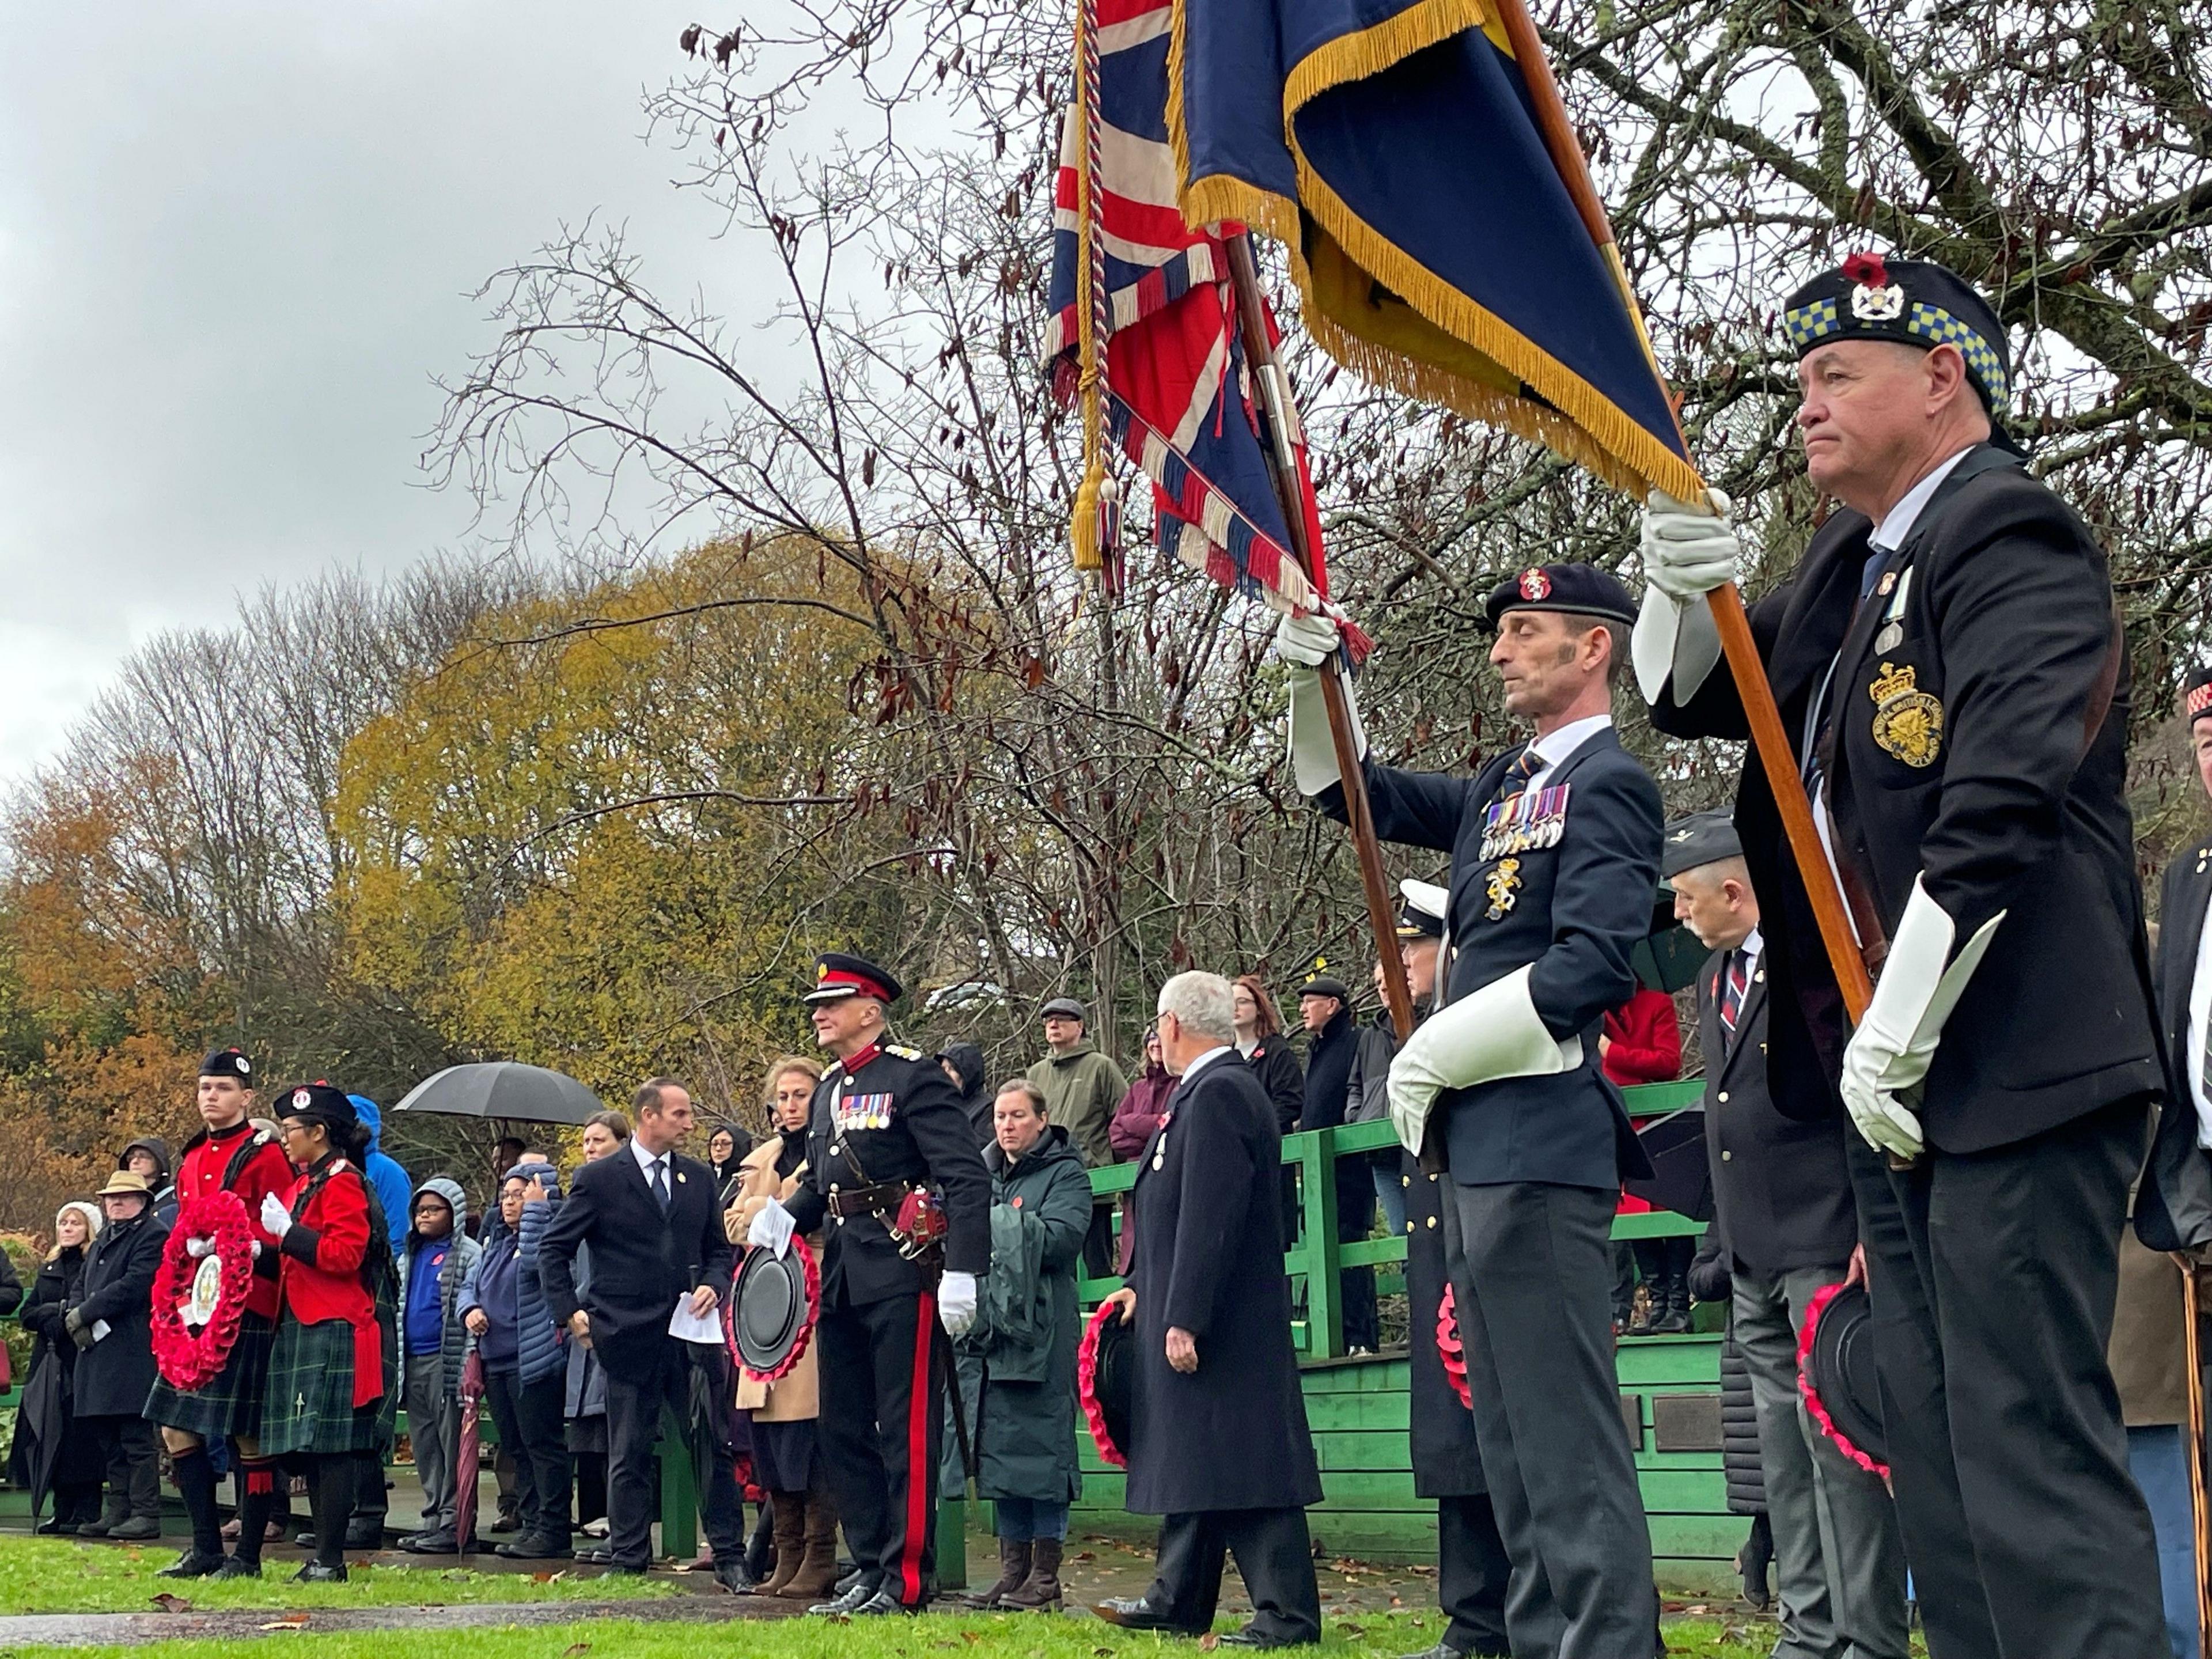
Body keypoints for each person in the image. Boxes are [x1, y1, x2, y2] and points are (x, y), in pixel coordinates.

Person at [1638, 253, 2200, 1659]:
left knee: (2023, 1446)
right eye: (1797, 382)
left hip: (2010, 1060)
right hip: (1893, 1090)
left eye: (1835, 374)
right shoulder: (1853, 557)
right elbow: (1701, 693)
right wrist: (1667, 580)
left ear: (1941, 376)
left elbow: (1999, 793)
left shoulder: (2009, 535)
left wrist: (1900, 1017)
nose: (1804, 406)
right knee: (1934, 1452)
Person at [1278, 560, 1664, 1658]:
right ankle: (1545, 1640)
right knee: (1508, 1441)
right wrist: (1312, 685)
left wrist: (1437, 1045)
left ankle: (1610, 1645)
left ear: (1593, 648)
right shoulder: (1503, 788)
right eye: (1500, 630)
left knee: (1565, 1438)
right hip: (1476, 1151)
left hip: (1542, 1141)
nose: (1500, 649)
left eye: (1525, 629)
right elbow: (1343, 792)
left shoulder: (1613, 787)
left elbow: (1591, 964)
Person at [1666, 809, 1908, 1659]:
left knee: (1838, 1445)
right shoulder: (1711, 977)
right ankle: (1807, 1630)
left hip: (1823, 1237)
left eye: (1688, 898)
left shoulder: (1815, 961)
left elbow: (1859, 1093)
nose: (1680, 914)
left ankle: (1868, 1635)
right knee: (1782, 1452)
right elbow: (1724, 1107)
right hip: (1752, 1248)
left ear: (1735, 890)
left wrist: (1868, 1224)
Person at [749, 953, 990, 1615]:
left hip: (904, 1267)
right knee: (843, 1428)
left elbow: (965, 1175)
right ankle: (871, 1562)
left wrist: (966, 1268)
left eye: (832, 1003)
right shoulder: (828, 1087)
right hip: (846, 1272)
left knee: (905, 1429)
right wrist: (782, 1218)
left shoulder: (913, 1078)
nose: (818, 1014)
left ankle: (906, 1576)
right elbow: (831, 1188)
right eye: (816, 1005)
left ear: (871, 1011)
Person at [1094, 972, 1322, 1647]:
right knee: (1195, 1456)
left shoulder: (1220, 1093)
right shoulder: (1201, 1092)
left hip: (1224, 1316)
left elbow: (1210, 1216)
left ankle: (1286, 1614)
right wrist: (1141, 1283)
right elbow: (1171, 1209)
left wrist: (1187, 1312)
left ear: (1170, 1025)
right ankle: (1176, 1598)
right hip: (1188, 1304)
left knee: (1247, 1461)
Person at [1349, 884, 1515, 1659]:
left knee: (1500, 1445)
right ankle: (1474, 1614)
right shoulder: (1411, 1036)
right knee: (1453, 1448)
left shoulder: (1483, 1027)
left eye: (1409, 949)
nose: (1393, 971)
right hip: (1435, 1262)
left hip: (1484, 1257)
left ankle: (1515, 1609)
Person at [538, 1078, 745, 1589]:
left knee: (710, 1447)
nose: (690, 1124)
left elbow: (719, 1250)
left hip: (690, 1337)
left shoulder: (698, 1179)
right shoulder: (600, 1180)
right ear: (649, 1116)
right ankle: (628, 1557)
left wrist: (716, 1286)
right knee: (628, 1451)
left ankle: (730, 1557)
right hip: (626, 1333)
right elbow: (553, 1249)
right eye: (679, 1114)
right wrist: (571, 1313)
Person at [145, 1046, 301, 1581]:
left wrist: (242, 1246)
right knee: (175, 1429)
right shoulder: (190, 1161)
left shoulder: (266, 1155)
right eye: (205, 1089)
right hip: (197, 1309)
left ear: (245, 1096)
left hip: (247, 1304)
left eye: (223, 1089)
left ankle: (249, 1557)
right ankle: (206, 1549)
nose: (212, 1097)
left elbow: (282, 1224)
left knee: (246, 1435)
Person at [255, 1084, 398, 1584]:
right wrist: (257, 1252)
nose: (286, 1141)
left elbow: (344, 1255)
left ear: (318, 1132)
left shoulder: (343, 1181)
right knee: (313, 1448)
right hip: (302, 1319)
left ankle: (331, 1559)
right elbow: (301, 1259)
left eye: (292, 1132)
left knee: (332, 1447)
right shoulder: (304, 1183)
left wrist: (287, 1233)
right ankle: (323, 1556)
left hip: (336, 1322)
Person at [964, 1078, 1091, 1612]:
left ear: (1042, 1120)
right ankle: (1012, 1573)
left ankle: (1045, 1578)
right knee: (1003, 1455)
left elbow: (1063, 1237)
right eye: (1000, 1117)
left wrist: (991, 1221)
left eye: (1018, 1116)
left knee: (1044, 1453)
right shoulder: (983, 1173)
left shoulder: (1067, 1173)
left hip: (1044, 1331)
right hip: (993, 1333)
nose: (1007, 1125)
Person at [726, 1059, 839, 1600]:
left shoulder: (833, 1153)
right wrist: (768, 1212)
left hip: (811, 1303)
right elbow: (733, 1225)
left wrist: (766, 1213)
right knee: (769, 1444)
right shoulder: (760, 1159)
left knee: (810, 1440)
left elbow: (816, 1217)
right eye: (784, 1096)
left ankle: (820, 1557)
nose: (791, 1105)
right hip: (761, 1309)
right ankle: (785, 1555)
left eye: (802, 1095)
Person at [460, 1166, 573, 1559]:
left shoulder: (549, 1236)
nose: (509, 1202)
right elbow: (471, 1284)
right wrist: (470, 1308)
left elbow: (535, 1269)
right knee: (516, 1446)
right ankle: (530, 1523)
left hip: (534, 1356)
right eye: (506, 1195)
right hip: (496, 1358)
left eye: (520, 1194)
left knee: (542, 1444)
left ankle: (554, 1527)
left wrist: (539, 1214)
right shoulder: (497, 1241)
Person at [68, 1171, 170, 1541]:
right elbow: (82, 1284)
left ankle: (145, 1512)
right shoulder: (102, 1241)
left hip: (131, 1347)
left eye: (125, 1197)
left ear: (142, 1201)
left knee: (136, 1437)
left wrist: (86, 1312)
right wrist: (76, 1312)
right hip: (97, 1350)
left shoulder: (152, 1235)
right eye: (111, 1198)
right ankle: (120, 1510)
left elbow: (136, 1285)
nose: (116, 1203)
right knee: (108, 1437)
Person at [1685, 1226, 1772, 1611]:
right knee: (1773, 1476)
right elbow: (1700, 1280)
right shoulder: (1730, 1202)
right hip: (1748, 1356)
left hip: (1808, 1329)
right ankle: (1757, 1556)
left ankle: (1756, 1555)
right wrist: (1729, 1258)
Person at [1293, 974, 1377, 1353]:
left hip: (1350, 1165)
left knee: (1351, 1247)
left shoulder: (1356, 1041)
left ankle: (1362, 1338)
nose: (1303, 1009)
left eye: (1310, 1002)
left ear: (1333, 1004)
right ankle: (1339, 1338)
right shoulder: (1315, 1049)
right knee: (1328, 1248)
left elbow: (1359, 1091)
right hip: (1317, 1169)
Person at [396, 1176, 479, 1554]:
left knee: (450, 1442)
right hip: (412, 1359)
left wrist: (467, 1363)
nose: (424, 1216)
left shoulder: (469, 1255)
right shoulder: (410, 1256)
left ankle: (453, 1519)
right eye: (420, 1210)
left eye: (434, 1209)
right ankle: (431, 1517)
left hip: (446, 1361)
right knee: (424, 1443)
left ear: (454, 1213)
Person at [562, 1109, 630, 1548]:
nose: (590, 1149)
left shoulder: (627, 1192)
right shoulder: (579, 1194)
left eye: (599, 1140)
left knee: (618, 1426)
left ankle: (622, 1524)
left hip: (619, 1317)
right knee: (587, 1425)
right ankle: (594, 1516)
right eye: (586, 1142)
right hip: (582, 1320)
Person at [1603, 990, 1687, 1335]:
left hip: (1656, 1127)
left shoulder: (1656, 1004)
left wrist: (1612, 1051)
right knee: (1634, 1216)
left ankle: (1680, 1305)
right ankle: (1659, 1304)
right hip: (1616, 1131)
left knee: (1673, 1212)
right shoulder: (1588, 1014)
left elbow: (1669, 1063)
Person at [1027, 996, 1126, 1279]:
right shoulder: (1037, 1074)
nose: (1053, 1025)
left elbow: (1122, 1124)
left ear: (1080, 1026)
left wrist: (1109, 1166)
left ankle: (1104, 1325)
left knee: (1097, 1271)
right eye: (1048, 1020)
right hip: (1046, 1190)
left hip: (1091, 1187)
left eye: (1061, 1019)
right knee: (1055, 1271)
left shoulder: (1101, 1067)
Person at [18, 1202, 103, 1533]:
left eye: (75, 1223)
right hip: (49, 1358)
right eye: (63, 1222)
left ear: (89, 1229)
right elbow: (28, 1312)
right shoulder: (49, 1266)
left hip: (81, 1357)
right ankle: (62, 1508)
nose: (67, 1228)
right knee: (51, 1429)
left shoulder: (93, 1264)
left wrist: (64, 1312)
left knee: (82, 1435)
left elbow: (88, 1305)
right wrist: (51, 1314)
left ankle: (88, 1509)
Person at [1108, 1030, 1176, 1274]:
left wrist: (1132, 1123)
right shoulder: (1137, 1089)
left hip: (1167, 1181)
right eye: (1150, 1039)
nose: (1155, 1044)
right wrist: (1154, 1125)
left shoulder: (1183, 1082)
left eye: (1160, 1037)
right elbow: (1116, 1137)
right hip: (1135, 1189)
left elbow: (1176, 1127)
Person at [1233, 977, 1306, 1130]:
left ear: (1259, 1007)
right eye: (1230, 1002)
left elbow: (1289, 1102)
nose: (1235, 1008)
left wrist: (1263, 1133)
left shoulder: (1277, 1052)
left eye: (1242, 1001)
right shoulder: (1224, 1053)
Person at [119, 1138, 179, 1229]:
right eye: (131, 1158)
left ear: (159, 1162)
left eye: (143, 1156)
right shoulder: (123, 1202)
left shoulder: (176, 1198)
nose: (135, 1162)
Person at [941, 1043, 993, 1147]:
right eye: (943, 1069)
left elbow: (981, 1146)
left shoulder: (987, 1108)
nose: (945, 1075)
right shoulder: (938, 1106)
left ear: (966, 1072)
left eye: (951, 1069)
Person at [707, 1124, 751, 1210]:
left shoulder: (748, 1178)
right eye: (715, 1144)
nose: (718, 1149)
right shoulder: (704, 1177)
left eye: (725, 1143)